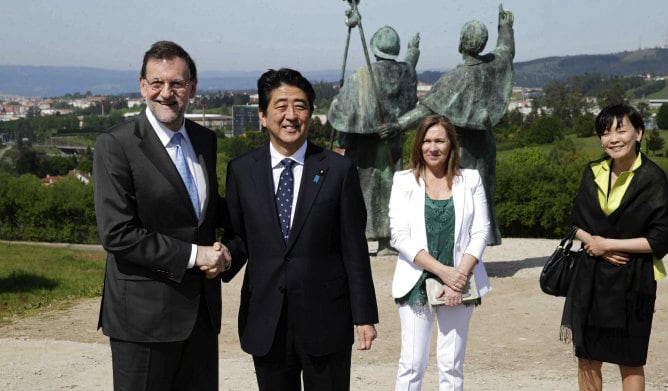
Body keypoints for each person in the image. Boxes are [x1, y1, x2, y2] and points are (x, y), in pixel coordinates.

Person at [222, 68, 379, 391]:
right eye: (281, 106)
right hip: (267, 319)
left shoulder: (339, 171)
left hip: (327, 320)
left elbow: (353, 247)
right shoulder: (241, 171)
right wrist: (220, 259)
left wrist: (364, 315)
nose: (291, 116)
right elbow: (239, 237)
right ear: (263, 116)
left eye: (301, 106)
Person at [93, 40, 232, 391]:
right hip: (142, 321)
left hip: (200, 316)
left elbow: (206, 213)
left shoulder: (204, 140)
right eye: (156, 83)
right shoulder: (116, 144)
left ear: (193, 88)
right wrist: (194, 254)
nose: (166, 93)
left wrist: (228, 251)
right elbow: (117, 233)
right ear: (142, 86)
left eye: (177, 83)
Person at [379, 4, 515, 246]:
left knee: (459, 197)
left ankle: (461, 246)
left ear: (461, 43)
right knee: (480, 196)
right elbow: (506, 50)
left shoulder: (453, 79)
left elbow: (425, 110)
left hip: (458, 147)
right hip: (484, 145)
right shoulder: (493, 66)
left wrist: (398, 125)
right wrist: (505, 27)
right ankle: (480, 242)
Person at [561, 104, 668, 391]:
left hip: (634, 280)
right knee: (588, 358)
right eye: (606, 132)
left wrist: (606, 243)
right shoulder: (592, 172)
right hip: (591, 277)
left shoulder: (653, 179)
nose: (613, 138)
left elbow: (659, 240)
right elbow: (575, 224)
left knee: (630, 360)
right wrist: (597, 245)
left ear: (639, 133)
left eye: (621, 130)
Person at [388, 114, 492, 390]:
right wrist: (443, 272)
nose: (433, 147)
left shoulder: (470, 180)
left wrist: (458, 276)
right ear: (419, 144)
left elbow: (481, 231)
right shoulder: (403, 180)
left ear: (451, 145)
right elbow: (399, 236)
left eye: (440, 141)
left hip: (461, 283)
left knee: (452, 366)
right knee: (411, 365)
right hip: (416, 281)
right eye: (427, 140)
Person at [328, 25, 420, 256]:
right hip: (392, 141)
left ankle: (356, 239)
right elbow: (408, 70)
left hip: (363, 146)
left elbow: (339, 113)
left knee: (361, 191)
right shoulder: (405, 73)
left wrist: (340, 96)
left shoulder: (361, 76)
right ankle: (386, 242)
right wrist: (413, 52)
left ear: (374, 48)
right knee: (388, 189)